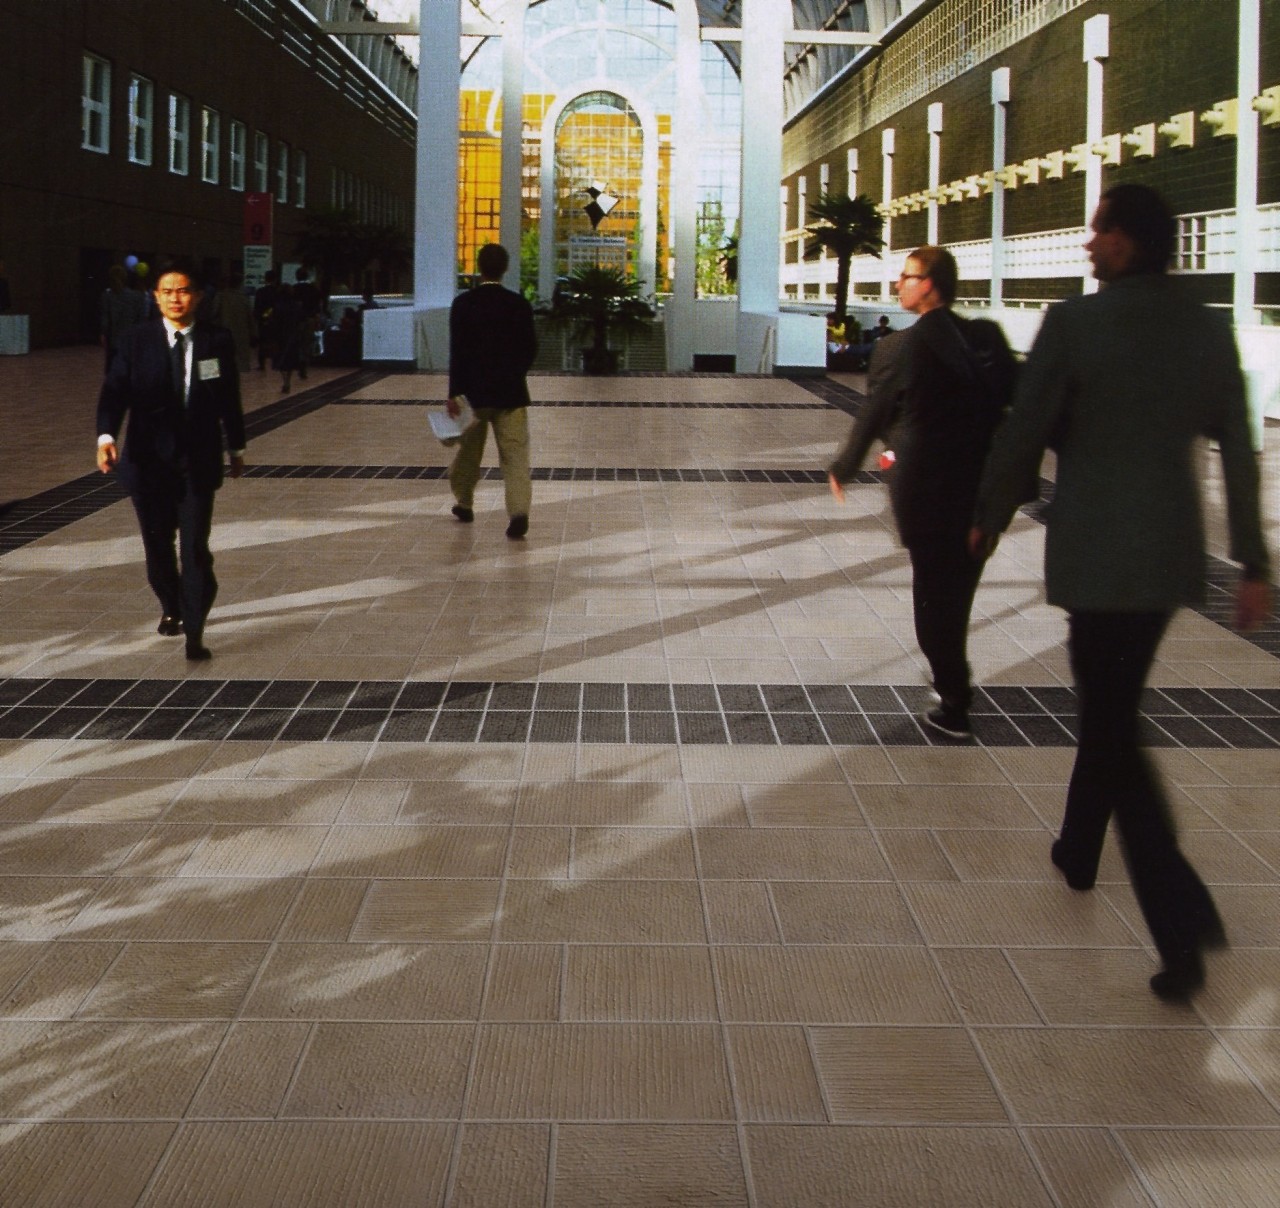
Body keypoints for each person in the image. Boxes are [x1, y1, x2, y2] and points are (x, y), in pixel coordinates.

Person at [970, 184, 1272, 1002]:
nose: (1087, 244)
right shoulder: (1207, 327)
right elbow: (1241, 449)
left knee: (1110, 724)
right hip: (1170, 560)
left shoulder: (1076, 323)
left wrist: (987, 519)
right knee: (1111, 705)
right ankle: (1076, 846)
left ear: (1128, 244)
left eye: (1098, 230)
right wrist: (1251, 562)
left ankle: (1181, 922)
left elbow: (1024, 428)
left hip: (1100, 558)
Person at [829, 245, 1010, 739]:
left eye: (906, 277)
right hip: (980, 493)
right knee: (958, 593)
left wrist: (845, 465)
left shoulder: (898, 347)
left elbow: (875, 412)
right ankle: (953, 680)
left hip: (927, 494)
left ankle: (954, 698)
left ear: (929, 284)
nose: (898, 285)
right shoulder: (986, 338)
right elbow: (1010, 409)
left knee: (932, 597)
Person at [96, 258, 246, 661]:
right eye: (167, 291)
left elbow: (228, 396)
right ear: (156, 297)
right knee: (158, 544)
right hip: (147, 463)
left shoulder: (217, 340)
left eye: (183, 291)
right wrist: (106, 435)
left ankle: (194, 632)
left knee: (195, 547)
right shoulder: (136, 340)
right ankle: (171, 605)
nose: (175, 298)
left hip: (197, 461)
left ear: (196, 296)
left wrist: (237, 447)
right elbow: (114, 391)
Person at [446, 242, 537, 539]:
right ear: (506, 268)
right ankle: (519, 512)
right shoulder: (518, 304)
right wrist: (515, 373)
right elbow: (530, 348)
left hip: (473, 395)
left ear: (479, 266)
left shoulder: (463, 305)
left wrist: (454, 393)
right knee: (515, 456)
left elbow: (457, 353)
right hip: (510, 394)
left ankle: (464, 501)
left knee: (469, 452)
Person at [99, 264, 148, 372]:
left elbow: (106, 318)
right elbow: (142, 319)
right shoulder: (137, 297)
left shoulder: (107, 296)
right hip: (131, 338)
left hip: (114, 338)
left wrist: (104, 333)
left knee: (112, 368)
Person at [211, 274, 254, 373]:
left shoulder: (221, 296)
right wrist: (253, 333)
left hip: (224, 331)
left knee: (223, 359)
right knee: (239, 361)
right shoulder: (244, 298)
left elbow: (213, 313)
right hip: (241, 333)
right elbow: (250, 317)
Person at [252, 270, 279, 370]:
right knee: (275, 341)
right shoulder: (277, 292)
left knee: (262, 342)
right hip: (275, 320)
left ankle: (262, 364)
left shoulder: (260, 292)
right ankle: (275, 361)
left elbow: (257, 308)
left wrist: (262, 317)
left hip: (263, 321)